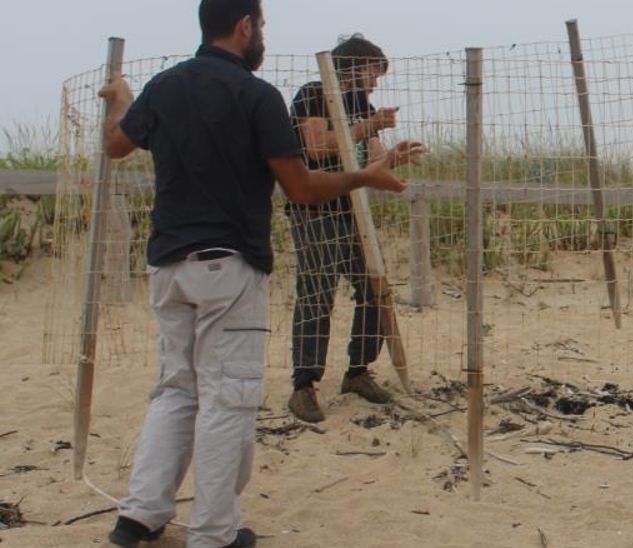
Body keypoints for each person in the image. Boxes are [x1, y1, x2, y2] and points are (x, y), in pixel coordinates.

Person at [97, 1, 418, 546]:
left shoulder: (165, 85)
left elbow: (115, 144)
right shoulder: (257, 95)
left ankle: (141, 515)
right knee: (228, 398)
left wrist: (122, 100)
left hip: (168, 263)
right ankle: (215, 531)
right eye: (262, 25)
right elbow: (300, 186)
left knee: (176, 388)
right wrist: (363, 176)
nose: (263, 35)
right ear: (245, 26)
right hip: (228, 265)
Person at [285, 34, 418, 423]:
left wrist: (395, 156)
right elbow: (317, 146)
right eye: (373, 72)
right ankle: (304, 385)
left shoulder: (364, 107)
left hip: (354, 213)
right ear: (355, 67)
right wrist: (368, 126)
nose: (376, 82)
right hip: (316, 211)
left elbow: (372, 162)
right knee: (317, 296)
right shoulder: (314, 94)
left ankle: (358, 372)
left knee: (374, 289)